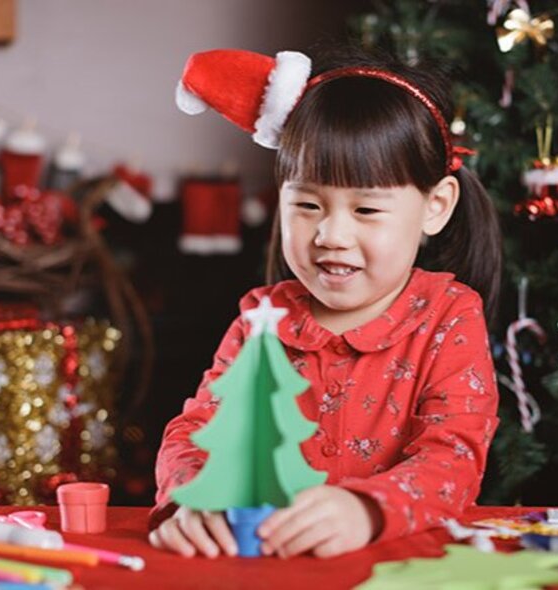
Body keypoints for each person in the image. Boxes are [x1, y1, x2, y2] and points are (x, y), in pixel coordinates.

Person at [149, 46, 502, 559]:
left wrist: (366, 509)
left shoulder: (449, 317)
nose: (332, 235)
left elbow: (453, 457)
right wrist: (192, 500)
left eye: (366, 209)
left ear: (436, 206)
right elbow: (197, 430)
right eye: (308, 205)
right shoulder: (260, 321)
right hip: (265, 566)